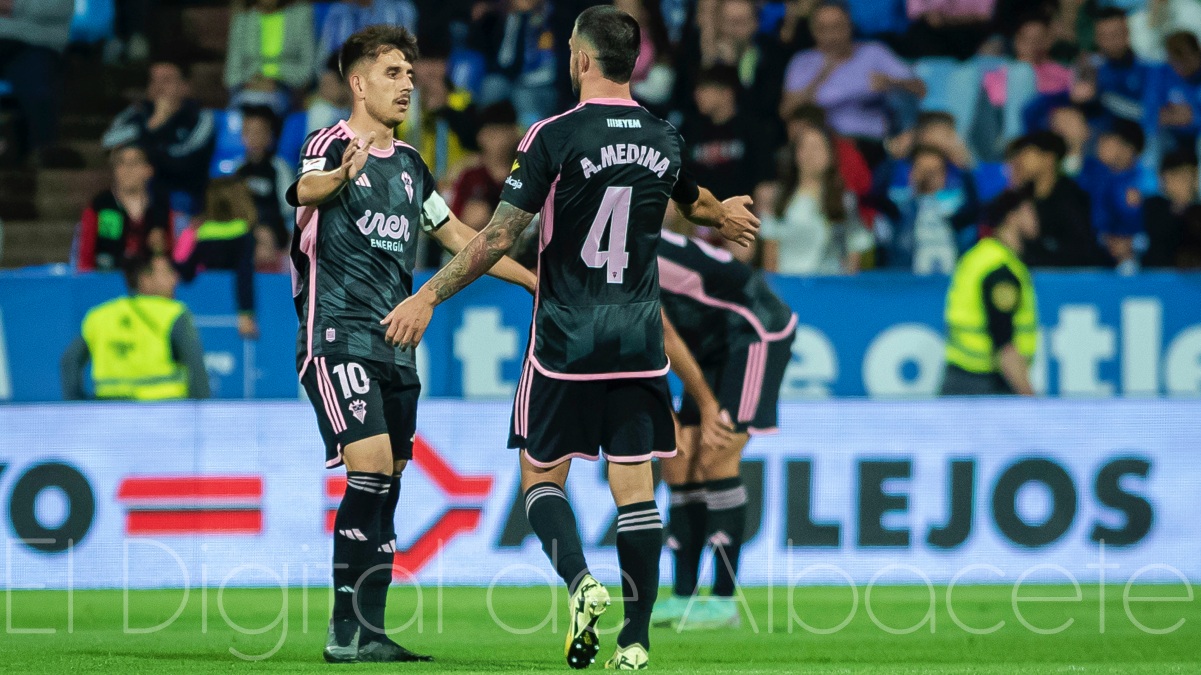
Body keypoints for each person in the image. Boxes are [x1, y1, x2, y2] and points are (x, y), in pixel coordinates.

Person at [376, 7, 758, 670]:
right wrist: (722, 214)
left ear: (581, 59)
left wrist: (427, 294)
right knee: (635, 488)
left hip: (565, 339)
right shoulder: (663, 136)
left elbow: (497, 237)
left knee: (540, 476)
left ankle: (582, 582)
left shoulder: (553, 135)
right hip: (637, 341)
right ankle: (636, 640)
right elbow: (692, 199)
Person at [285, 25, 535, 664]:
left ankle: (369, 629)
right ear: (358, 82)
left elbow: (458, 237)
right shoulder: (330, 145)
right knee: (369, 468)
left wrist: (534, 280)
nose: (406, 85)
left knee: (389, 484)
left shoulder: (410, 166)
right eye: (392, 73)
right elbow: (305, 190)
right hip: (336, 336)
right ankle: (343, 629)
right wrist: (339, 176)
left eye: (408, 74)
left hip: (397, 346)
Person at [651, 229, 796, 630]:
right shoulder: (607, 247)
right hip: (711, 341)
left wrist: (707, 405)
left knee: (716, 455)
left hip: (755, 331)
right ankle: (683, 596)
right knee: (678, 461)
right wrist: (667, 412)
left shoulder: (624, 251)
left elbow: (660, 335)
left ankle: (723, 601)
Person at [780, 1, 925, 167]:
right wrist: (821, 75)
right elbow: (787, 111)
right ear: (813, 31)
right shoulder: (802, 62)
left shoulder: (874, 53)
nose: (830, 36)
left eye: (836, 27)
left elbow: (920, 89)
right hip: (824, 146)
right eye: (822, 29)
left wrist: (891, 82)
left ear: (849, 26)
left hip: (872, 145)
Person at [60, 253, 209, 401]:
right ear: (145, 279)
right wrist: (201, 409)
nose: (174, 279)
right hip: (162, 408)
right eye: (167, 273)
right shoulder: (174, 313)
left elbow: (69, 361)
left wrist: (77, 405)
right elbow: (196, 366)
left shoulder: (99, 316)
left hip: (109, 410)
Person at [941, 188, 1040, 396]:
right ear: (1012, 217)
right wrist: (1032, 401)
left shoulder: (980, 256)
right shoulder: (1000, 270)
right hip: (982, 386)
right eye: (1029, 211)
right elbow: (1005, 346)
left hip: (963, 379)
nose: (1036, 219)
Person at [102, 61, 216, 215]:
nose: (158, 86)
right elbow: (108, 142)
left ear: (185, 86)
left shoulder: (200, 117)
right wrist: (152, 126)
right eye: (153, 80)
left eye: (166, 80)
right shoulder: (136, 113)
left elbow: (182, 162)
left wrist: (146, 148)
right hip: (138, 196)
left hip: (183, 196)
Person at [762, 123, 872, 275]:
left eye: (817, 148)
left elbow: (854, 250)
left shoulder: (845, 200)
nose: (810, 154)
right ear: (796, 153)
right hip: (788, 283)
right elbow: (770, 256)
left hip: (829, 284)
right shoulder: (780, 198)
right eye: (804, 147)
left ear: (830, 155)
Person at [175, 177, 260, 339]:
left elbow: (187, 272)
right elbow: (244, 273)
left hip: (206, 305)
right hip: (233, 309)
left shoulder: (204, 233)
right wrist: (246, 313)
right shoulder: (243, 233)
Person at [1006, 131, 1100, 268]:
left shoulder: (1071, 197)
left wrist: (1032, 244)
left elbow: (1080, 252)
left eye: (1025, 153)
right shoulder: (1021, 198)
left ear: (1049, 158)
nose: (1018, 161)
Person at [0, 0, 76, 167]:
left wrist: (13, 5)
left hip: (36, 43)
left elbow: (60, 7)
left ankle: (43, 157)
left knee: (38, 91)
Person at [76, 144, 174, 272]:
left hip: (149, 281)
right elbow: (85, 258)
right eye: (121, 162)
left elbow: (175, 254)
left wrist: (161, 248)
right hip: (107, 280)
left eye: (134, 162)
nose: (127, 169)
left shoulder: (161, 207)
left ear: (148, 170)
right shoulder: (100, 205)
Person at [225, 0, 316, 115]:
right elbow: (231, 74)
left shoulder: (300, 17)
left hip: (286, 89)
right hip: (248, 89)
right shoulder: (243, 21)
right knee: (246, 109)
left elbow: (307, 70)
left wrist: (277, 83)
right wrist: (251, 83)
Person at [1079, 119, 1145, 271]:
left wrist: (1130, 242)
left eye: (1108, 140)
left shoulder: (1147, 181)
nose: (1100, 144)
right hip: (1097, 249)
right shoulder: (1092, 172)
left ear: (1128, 148)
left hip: (1139, 253)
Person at [235, 106, 295, 268]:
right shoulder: (238, 170)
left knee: (263, 237)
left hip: (275, 230)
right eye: (249, 132)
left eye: (259, 132)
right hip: (245, 228)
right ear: (242, 136)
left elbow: (289, 208)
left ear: (270, 137)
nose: (254, 138)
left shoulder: (279, 168)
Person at [449, 102, 520, 232]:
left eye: (502, 132)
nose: (497, 140)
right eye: (492, 133)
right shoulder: (470, 176)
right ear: (480, 136)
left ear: (514, 134)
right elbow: (455, 220)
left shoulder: (524, 174)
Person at [1143, 149, 1201, 269]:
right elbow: (1159, 239)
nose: (1188, 183)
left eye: (1192, 176)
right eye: (1182, 177)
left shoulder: (1197, 212)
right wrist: (1180, 205)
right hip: (1156, 275)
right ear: (1164, 177)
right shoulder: (1152, 206)